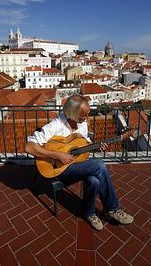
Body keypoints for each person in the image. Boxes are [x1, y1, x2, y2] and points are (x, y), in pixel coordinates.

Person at [25, 94, 133, 230]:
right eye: (83, 115)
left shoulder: (82, 125)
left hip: (76, 166)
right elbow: (29, 147)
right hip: (58, 170)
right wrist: (58, 155)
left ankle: (88, 212)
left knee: (94, 181)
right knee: (99, 165)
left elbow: (83, 147)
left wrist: (97, 147)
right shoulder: (56, 125)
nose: (86, 118)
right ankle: (112, 209)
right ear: (73, 113)